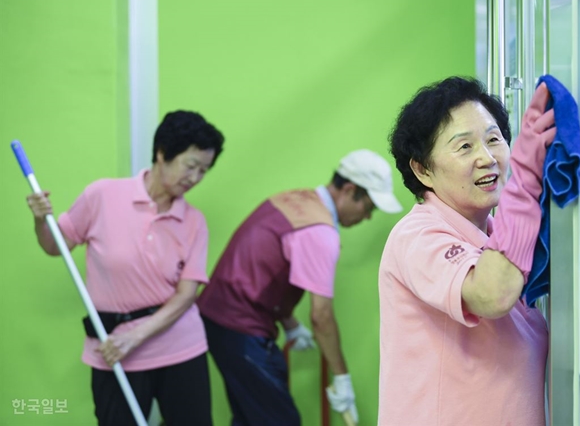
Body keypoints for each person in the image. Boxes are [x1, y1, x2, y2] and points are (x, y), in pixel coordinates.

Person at [26, 110, 224, 426]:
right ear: (162, 153)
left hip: (180, 349)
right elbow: (54, 246)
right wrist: (40, 219)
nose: (195, 178)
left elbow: (187, 295)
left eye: (204, 170)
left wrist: (135, 337)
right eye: (191, 166)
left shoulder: (194, 222)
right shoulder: (102, 196)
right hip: (112, 352)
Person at [378, 77, 555, 425]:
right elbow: (491, 294)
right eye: (464, 147)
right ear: (422, 169)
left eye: (494, 139)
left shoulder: (491, 234)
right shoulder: (418, 235)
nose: (486, 158)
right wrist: (524, 183)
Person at [197, 149, 403, 426]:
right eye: (368, 207)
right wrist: (341, 377)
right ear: (350, 190)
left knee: (252, 416)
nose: (366, 217)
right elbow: (321, 317)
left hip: (220, 316)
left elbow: (266, 267)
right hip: (238, 324)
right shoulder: (319, 232)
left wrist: (290, 322)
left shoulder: (293, 200)